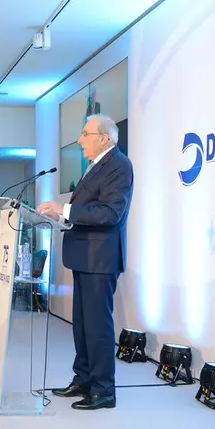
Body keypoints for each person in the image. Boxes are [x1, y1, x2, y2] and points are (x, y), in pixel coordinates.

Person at [37, 114, 133, 411]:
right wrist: (61, 215)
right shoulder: (96, 166)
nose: (79, 139)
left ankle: (104, 389)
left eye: (85, 133)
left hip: (100, 258)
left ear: (104, 137)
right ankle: (83, 379)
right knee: (82, 325)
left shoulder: (118, 165)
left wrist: (66, 209)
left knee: (97, 326)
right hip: (86, 256)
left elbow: (110, 214)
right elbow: (87, 211)